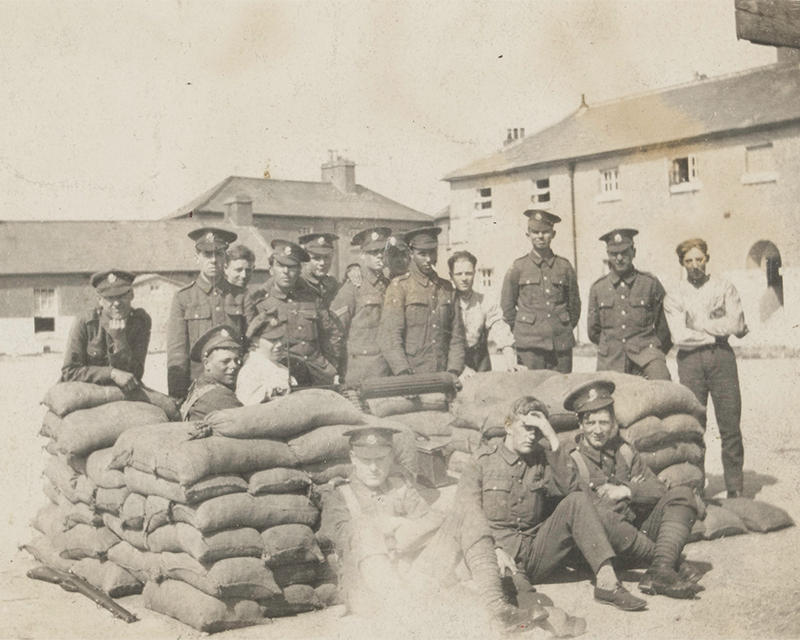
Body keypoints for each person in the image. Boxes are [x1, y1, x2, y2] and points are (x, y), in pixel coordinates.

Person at [315, 425, 539, 632]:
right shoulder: (338, 493)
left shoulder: (400, 484)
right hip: (369, 591)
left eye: (380, 459)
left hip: (412, 577)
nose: (374, 468)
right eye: (366, 460)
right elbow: (342, 537)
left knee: (466, 512)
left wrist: (405, 534)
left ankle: (497, 608)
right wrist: (393, 525)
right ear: (353, 458)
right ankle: (405, 616)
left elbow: (430, 522)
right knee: (362, 527)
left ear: (391, 456)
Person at [457, 395, 648, 611]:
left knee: (576, 501)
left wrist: (552, 438)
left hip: (537, 552)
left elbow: (573, 491)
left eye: (537, 431)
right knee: (524, 601)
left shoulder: (544, 460)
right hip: (498, 554)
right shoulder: (482, 461)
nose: (532, 436)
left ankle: (607, 583)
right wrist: (493, 549)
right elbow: (468, 514)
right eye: (527, 427)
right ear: (508, 426)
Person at [563, 380, 702, 599]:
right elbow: (587, 513)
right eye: (590, 423)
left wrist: (626, 491)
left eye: (604, 423)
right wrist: (638, 494)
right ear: (580, 424)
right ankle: (668, 562)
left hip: (636, 540)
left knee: (682, 495)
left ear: (613, 424)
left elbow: (658, 489)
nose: (597, 430)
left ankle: (660, 570)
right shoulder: (572, 459)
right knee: (600, 515)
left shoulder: (624, 451)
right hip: (603, 550)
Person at [664, 238, 749, 498]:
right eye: (688, 261)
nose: (694, 265)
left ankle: (734, 486)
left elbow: (736, 325)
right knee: (693, 425)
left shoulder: (724, 286)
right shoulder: (675, 294)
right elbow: (680, 336)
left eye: (699, 259)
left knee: (730, 424)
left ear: (707, 259)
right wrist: (714, 328)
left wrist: (698, 325)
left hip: (722, 358)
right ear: (682, 264)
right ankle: (695, 486)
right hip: (690, 362)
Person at [248, 239, 343, 387]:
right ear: (271, 269)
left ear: (299, 271)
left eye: (291, 267)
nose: (286, 272)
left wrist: (331, 365)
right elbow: (252, 346)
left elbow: (331, 334)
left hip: (319, 375)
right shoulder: (260, 303)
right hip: (283, 377)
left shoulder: (311, 298)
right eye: (280, 266)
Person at [166, 227, 244, 399]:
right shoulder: (184, 298)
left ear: (225, 259)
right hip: (200, 387)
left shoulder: (241, 295)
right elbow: (177, 353)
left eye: (219, 254)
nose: (214, 260)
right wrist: (178, 396)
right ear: (197, 258)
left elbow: (251, 343)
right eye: (207, 255)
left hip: (237, 384)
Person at [500, 210, 580, 373]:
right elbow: (507, 308)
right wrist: (525, 330)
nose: (540, 236)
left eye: (545, 232)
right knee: (530, 392)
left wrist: (561, 328)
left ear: (553, 234)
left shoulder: (564, 266)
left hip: (560, 344)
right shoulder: (518, 267)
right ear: (528, 234)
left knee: (562, 391)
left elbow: (574, 306)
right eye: (535, 232)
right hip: (529, 347)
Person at [379, 227, 466, 376]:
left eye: (432, 252)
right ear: (411, 254)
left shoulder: (447, 289)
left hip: (443, 374)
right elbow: (390, 337)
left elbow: (457, 337)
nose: (428, 259)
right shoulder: (400, 287)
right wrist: (403, 372)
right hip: (412, 375)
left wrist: (453, 371)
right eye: (422, 253)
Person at [587, 229, 672, 380]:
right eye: (614, 254)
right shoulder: (598, 288)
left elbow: (665, 328)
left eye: (625, 252)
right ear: (608, 255)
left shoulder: (649, 283)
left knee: (663, 385)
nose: (619, 258)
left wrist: (653, 353)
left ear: (634, 252)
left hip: (646, 357)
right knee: (602, 397)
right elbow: (593, 331)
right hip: (610, 360)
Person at [61, 269, 151, 391]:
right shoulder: (86, 322)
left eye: (122, 295)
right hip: (85, 390)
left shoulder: (139, 322)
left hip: (123, 392)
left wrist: (120, 341)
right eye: (110, 298)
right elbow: (69, 372)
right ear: (99, 300)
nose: (117, 303)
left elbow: (136, 374)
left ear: (131, 294)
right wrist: (111, 373)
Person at [331, 228, 393, 386]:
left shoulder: (390, 286)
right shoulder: (352, 287)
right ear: (362, 255)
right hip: (360, 373)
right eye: (373, 252)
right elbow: (335, 331)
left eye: (382, 251)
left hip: (386, 370)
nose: (379, 255)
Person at [448, 250, 520, 377]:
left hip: (480, 362)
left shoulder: (485, 301)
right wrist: (461, 368)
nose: (464, 278)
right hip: (453, 363)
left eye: (468, 273)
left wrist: (510, 362)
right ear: (451, 276)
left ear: (475, 273)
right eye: (459, 274)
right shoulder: (446, 303)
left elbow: (500, 328)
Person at [180, 325, 243, 421]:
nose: (234, 366)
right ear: (206, 364)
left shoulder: (199, 385)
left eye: (236, 360)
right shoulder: (221, 397)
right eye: (225, 361)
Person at [235, 309, 295, 406]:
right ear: (255, 341)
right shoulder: (250, 371)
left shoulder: (275, 365)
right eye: (272, 340)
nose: (279, 344)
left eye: (280, 338)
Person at [298, 233, 340, 309]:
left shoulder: (332, 284)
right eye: (316, 258)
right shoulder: (297, 282)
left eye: (327, 257)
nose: (322, 263)